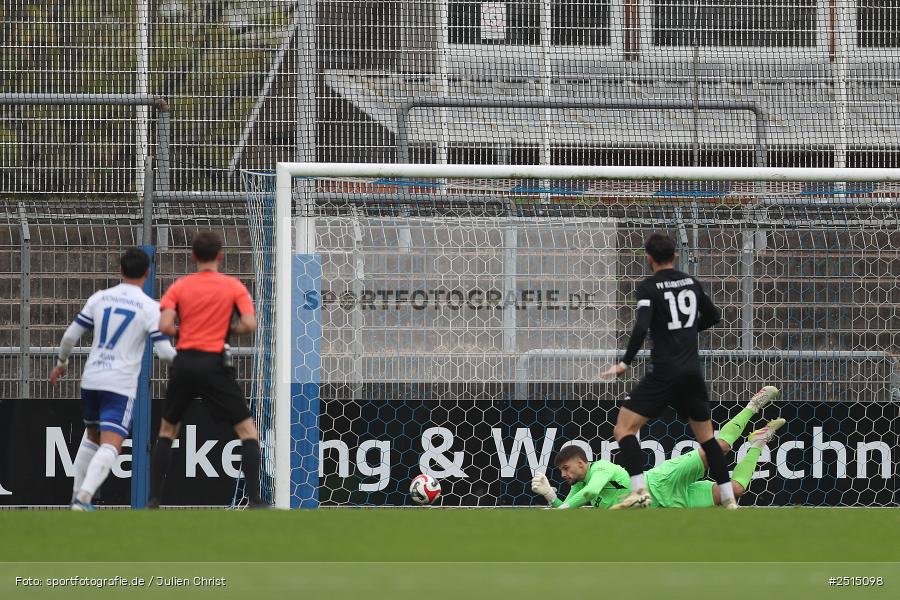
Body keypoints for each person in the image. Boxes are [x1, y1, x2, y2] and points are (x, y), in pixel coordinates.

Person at [600, 232, 732, 509]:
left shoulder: (649, 287)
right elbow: (714, 316)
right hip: (692, 372)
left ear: (648, 258)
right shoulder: (691, 283)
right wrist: (684, 331)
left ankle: (639, 491)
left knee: (624, 429)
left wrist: (624, 363)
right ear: (675, 255)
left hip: (664, 372)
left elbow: (641, 325)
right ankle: (729, 499)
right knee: (707, 439)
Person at [50, 248, 176, 511]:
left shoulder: (100, 298)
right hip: (119, 384)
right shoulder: (151, 308)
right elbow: (164, 353)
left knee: (92, 436)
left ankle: (75, 498)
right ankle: (84, 497)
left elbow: (70, 337)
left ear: (120, 270)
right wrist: (191, 364)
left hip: (92, 378)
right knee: (112, 444)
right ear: (148, 272)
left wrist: (61, 363)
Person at [147, 230, 264, 508]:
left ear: (193, 256)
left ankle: (153, 500)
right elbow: (249, 324)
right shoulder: (233, 287)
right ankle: (257, 500)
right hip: (215, 363)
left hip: (185, 362)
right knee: (248, 432)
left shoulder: (179, 287)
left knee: (167, 431)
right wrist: (225, 329)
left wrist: (188, 329)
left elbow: (163, 326)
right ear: (220, 257)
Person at [531, 386, 783, 509]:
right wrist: (551, 496)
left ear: (581, 462)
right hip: (670, 503)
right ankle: (758, 442)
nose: (564, 475)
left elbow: (586, 496)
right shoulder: (579, 486)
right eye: (562, 472)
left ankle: (753, 405)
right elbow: (567, 508)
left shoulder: (600, 470)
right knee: (735, 491)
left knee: (719, 448)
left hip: (663, 481)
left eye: (566, 469)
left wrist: (561, 506)